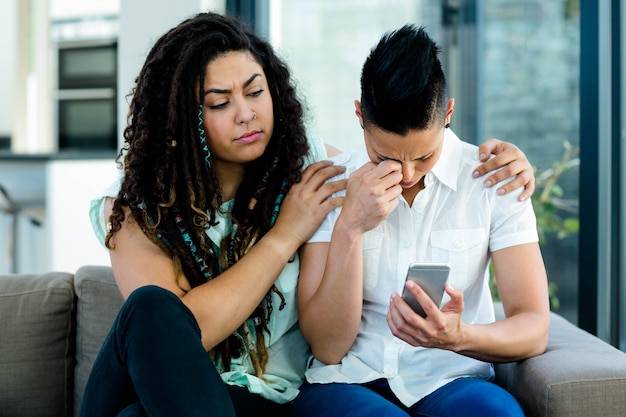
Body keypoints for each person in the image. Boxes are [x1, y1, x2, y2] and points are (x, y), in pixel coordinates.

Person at [81, 12, 537, 417]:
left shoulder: (312, 169)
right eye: (220, 103)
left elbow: (398, 146)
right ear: (181, 117)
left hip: (268, 400)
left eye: (256, 92)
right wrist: (286, 234)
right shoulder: (134, 208)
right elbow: (175, 337)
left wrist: (511, 160)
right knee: (149, 309)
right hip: (191, 386)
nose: (247, 115)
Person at [293, 25, 550, 417]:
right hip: (349, 381)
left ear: (447, 112)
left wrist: (458, 336)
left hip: (453, 379)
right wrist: (350, 227)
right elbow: (328, 348)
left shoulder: (494, 180)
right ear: (360, 115)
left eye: (424, 156)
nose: (408, 174)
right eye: (385, 158)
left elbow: (533, 325)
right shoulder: (333, 184)